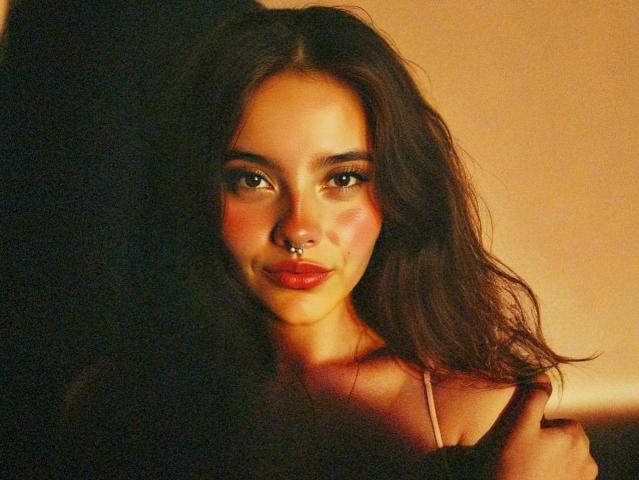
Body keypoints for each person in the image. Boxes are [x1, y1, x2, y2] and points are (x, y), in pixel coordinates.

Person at [62, 5, 597, 479]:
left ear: (396, 190)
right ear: (198, 190)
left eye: (342, 179)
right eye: (253, 180)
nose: (298, 229)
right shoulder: (122, 409)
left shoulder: (479, 414)